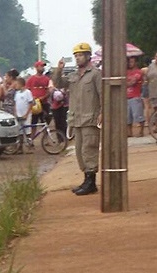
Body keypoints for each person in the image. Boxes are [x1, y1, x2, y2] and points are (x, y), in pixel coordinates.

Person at [52, 42, 102, 196]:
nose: (78, 58)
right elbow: (58, 83)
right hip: (77, 119)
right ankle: (86, 179)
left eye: (80, 55)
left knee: (89, 150)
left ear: (88, 56)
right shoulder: (73, 75)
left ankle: (91, 181)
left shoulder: (95, 74)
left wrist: (102, 113)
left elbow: (103, 94)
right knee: (80, 151)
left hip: (90, 118)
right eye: (76, 56)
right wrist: (58, 69)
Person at [26, 61, 52, 137]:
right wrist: (32, 99)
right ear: (36, 67)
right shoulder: (31, 79)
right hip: (34, 104)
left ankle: (46, 139)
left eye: (43, 66)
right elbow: (28, 90)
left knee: (45, 121)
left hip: (44, 103)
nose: (43, 68)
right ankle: (32, 139)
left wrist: (43, 97)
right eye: (41, 66)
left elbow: (48, 91)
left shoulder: (47, 79)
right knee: (33, 122)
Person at [13, 78, 34, 150]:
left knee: (28, 131)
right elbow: (15, 103)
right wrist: (15, 112)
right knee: (20, 131)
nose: (15, 86)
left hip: (26, 115)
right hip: (19, 115)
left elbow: (30, 103)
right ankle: (20, 147)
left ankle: (30, 146)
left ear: (21, 84)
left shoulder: (27, 92)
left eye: (17, 84)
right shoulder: (17, 93)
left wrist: (27, 114)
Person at [126, 56, 145, 137]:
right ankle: (129, 132)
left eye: (132, 62)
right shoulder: (126, 72)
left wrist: (126, 82)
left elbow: (132, 82)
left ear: (135, 63)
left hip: (135, 96)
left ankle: (141, 131)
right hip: (127, 96)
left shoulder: (138, 72)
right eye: (129, 62)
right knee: (127, 116)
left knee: (138, 115)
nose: (130, 63)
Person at [146, 53, 157, 132]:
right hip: (153, 91)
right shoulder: (151, 66)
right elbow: (147, 77)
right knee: (155, 108)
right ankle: (155, 125)